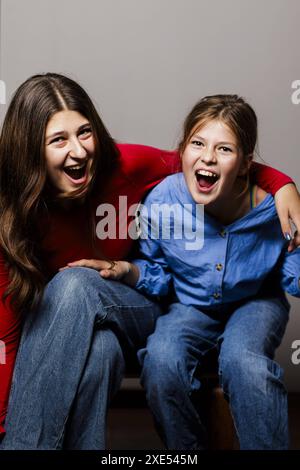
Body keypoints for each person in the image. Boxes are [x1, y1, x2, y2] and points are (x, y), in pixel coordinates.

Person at [0, 76, 299, 450]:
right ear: (30, 151)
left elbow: (211, 162)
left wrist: (284, 186)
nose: (78, 151)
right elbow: (6, 334)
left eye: (85, 132)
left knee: (73, 284)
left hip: (155, 306)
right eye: (59, 139)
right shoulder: (12, 212)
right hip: (93, 325)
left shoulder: (130, 165)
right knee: (103, 352)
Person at [94, 95, 300, 450]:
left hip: (255, 302)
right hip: (188, 304)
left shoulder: (272, 210)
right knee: (161, 360)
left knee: (244, 363)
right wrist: (128, 269)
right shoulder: (163, 200)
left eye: (224, 149)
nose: (207, 157)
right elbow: (158, 273)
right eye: (198, 143)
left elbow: (294, 279)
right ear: (182, 151)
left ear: (245, 163)